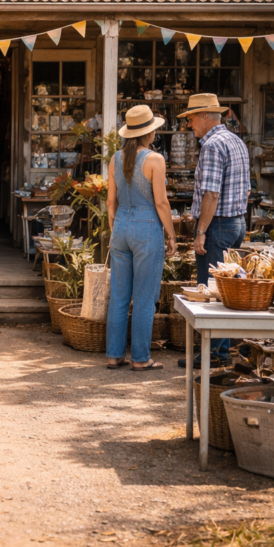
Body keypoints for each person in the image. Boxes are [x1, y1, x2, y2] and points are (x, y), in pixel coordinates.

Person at [176, 92, 250, 367]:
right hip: (237, 221)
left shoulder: (212, 146)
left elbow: (211, 194)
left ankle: (215, 354)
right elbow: (247, 187)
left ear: (206, 116)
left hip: (217, 224)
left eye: (192, 118)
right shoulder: (236, 141)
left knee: (212, 288)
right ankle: (227, 347)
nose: (190, 124)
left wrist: (200, 231)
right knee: (231, 288)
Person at [106, 105, 177, 370]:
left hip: (121, 227)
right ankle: (140, 358)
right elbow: (161, 203)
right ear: (149, 132)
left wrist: (116, 228)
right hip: (147, 230)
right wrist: (171, 235)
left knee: (120, 296)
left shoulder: (116, 158)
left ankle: (114, 355)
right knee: (145, 297)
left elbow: (110, 202)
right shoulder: (155, 160)